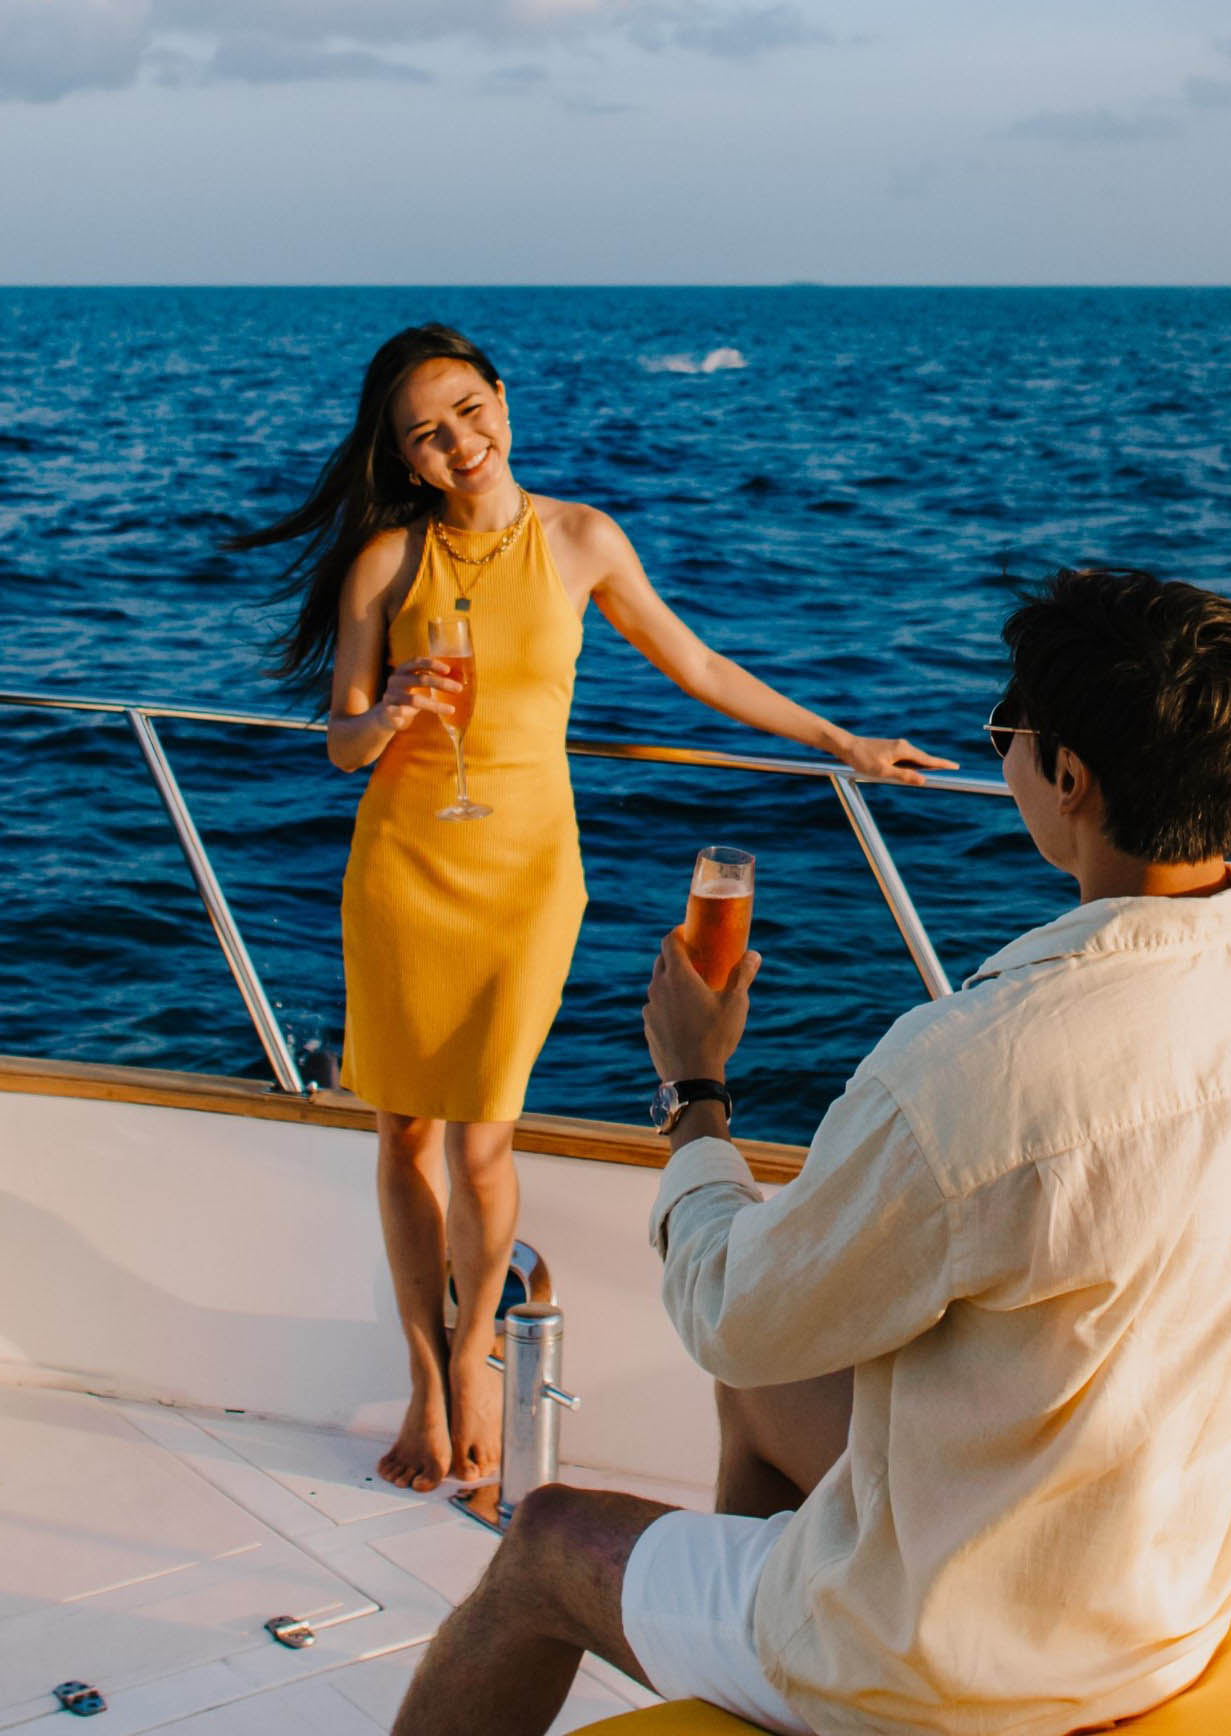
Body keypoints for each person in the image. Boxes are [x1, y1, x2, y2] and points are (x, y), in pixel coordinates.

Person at [392, 569, 1231, 1736]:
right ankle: (772, 1678)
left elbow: (731, 1310)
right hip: (1165, 1612)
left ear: (1069, 778)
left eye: (1008, 727)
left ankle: (809, 1667)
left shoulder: (963, 1066)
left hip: (948, 1667)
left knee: (545, 1546)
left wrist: (696, 1093)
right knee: (765, 1394)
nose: (998, 750)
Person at [233, 324, 952, 1492]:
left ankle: (473, 1361)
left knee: (480, 1139)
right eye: (427, 432)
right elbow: (340, 744)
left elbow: (699, 666)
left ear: (503, 403)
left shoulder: (579, 540)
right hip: (404, 868)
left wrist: (841, 740)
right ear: (404, 457)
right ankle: (425, 1378)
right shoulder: (384, 561)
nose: (459, 442)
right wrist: (396, 709)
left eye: (469, 410)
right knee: (403, 1129)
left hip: (524, 875)